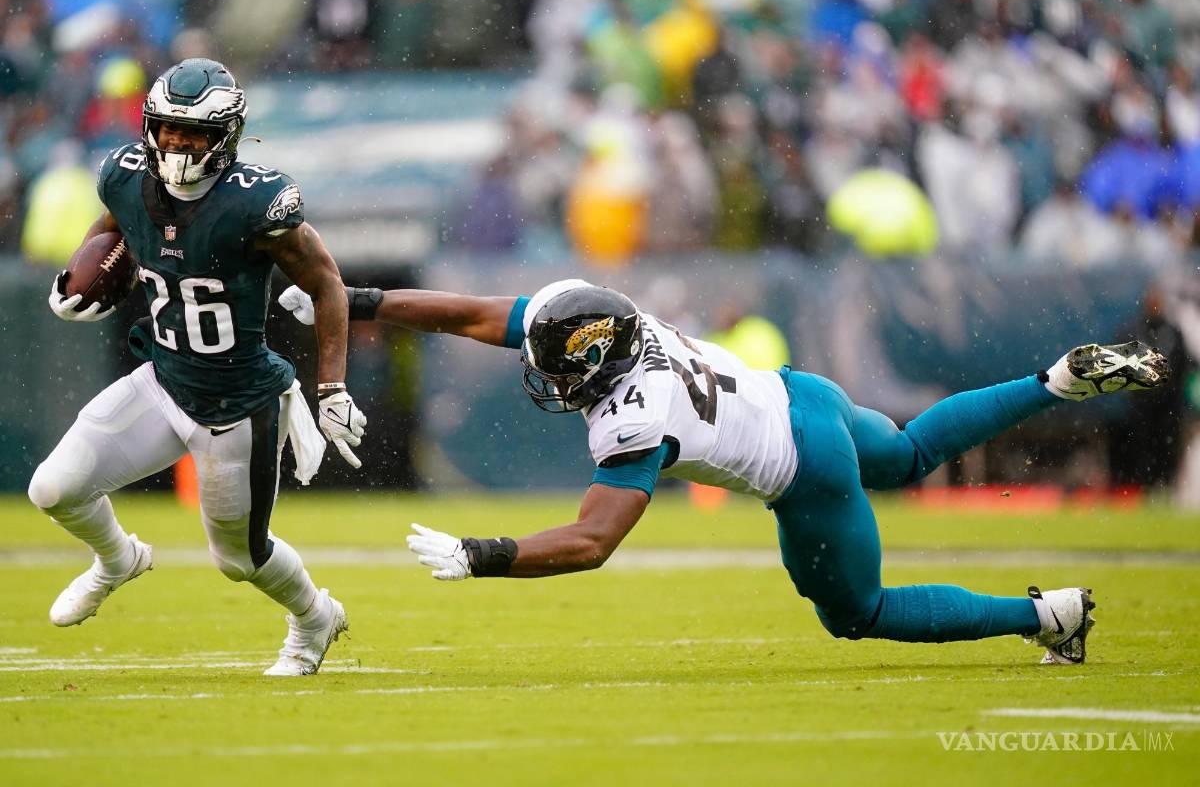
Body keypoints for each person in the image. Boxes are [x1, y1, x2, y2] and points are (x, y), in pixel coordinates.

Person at [281, 279, 1170, 664]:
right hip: (804, 396)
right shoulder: (596, 314)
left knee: (854, 615)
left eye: (561, 373)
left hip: (801, 465)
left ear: (596, 364)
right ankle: (1054, 381)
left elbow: (594, 542)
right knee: (904, 453)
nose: (548, 382)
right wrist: (354, 301)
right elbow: (477, 314)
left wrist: (483, 554)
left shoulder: (636, 414)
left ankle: (1045, 618)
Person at [28, 59, 368, 677]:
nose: (177, 143)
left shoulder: (257, 202)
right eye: (167, 129)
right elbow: (114, 229)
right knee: (54, 488)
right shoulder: (125, 176)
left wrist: (333, 387)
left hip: (236, 404)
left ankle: (315, 616)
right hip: (163, 380)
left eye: (194, 133)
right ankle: (116, 560)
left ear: (226, 136)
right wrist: (85, 274)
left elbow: (329, 287)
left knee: (239, 560)